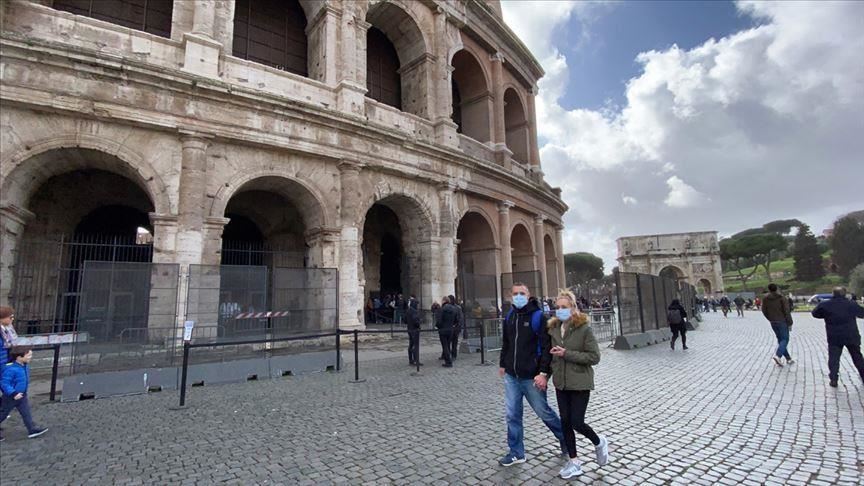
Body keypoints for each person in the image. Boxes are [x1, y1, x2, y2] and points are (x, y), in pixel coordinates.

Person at [497, 282, 567, 467]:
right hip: (512, 375)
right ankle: (516, 452)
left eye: (522, 293)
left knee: (544, 412)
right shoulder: (510, 316)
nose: (518, 296)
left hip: (532, 376)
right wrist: (503, 363)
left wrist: (543, 373)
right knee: (512, 415)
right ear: (510, 296)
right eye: (515, 293)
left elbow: (546, 348)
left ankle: (565, 438)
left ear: (528, 295)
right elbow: (507, 343)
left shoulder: (538, 317)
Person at [547, 290, 609, 479]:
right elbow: (552, 356)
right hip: (561, 382)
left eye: (564, 307)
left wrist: (567, 354)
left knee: (577, 421)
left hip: (580, 381)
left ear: (573, 308)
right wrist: (544, 374)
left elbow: (594, 357)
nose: (560, 310)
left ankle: (599, 442)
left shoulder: (584, 329)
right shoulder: (554, 328)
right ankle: (574, 461)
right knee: (565, 422)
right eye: (557, 307)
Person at [811, 287, 864, 387]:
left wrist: (826, 315)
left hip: (834, 336)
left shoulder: (825, 305)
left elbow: (815, 314)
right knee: (857, 357)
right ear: (844, 294)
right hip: (851, 335)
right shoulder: (851, 304)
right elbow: (862, 313)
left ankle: (834, 379)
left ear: (833, 294)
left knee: (834, 358)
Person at [0, 346, 48, 442]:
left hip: (22, 395)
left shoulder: (24, 366)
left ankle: (32, 429)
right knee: (3, 414)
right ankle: (32, 429)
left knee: (26, 413)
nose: (30, 357)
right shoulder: (10, 369)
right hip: (11, 397)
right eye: (28, 355)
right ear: (19, 357)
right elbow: (4, 383)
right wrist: (13, 393)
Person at [762, 283, 794, 366]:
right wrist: (790, 322)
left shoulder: (765, 299)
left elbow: (764, 310)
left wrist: (770, 318)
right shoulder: (781, 298)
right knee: (785, 339)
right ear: (777, 289)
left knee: (780, 340)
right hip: (782, 321)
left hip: (773, 321)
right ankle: (778, 355)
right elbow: (787, 311)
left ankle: (788, 358)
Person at [437, 297, 457, 367]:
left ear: (444, 301)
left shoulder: (442, 309)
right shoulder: (454, 309)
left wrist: (439, 327)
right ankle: (449, 360)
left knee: (445, 346)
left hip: (443, 330)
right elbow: (456, 320)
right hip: (450, 329)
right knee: (448, 345)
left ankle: (448, 362)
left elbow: (439, 321)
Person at [406, 296, 422, 366]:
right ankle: (416, 360)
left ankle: (410, 359)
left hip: (409, 329)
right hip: (414, 330)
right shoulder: (414, 311)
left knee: (411, 345)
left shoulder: (408, 310)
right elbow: (416, 321)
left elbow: (405, 320)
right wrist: (419, 324)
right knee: (415, 345)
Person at [449, 296, 463, 360]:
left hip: (455, 327)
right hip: (450, 327)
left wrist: (458, 326)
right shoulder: (449, 307)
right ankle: (448, 354)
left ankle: (454, 355)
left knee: (454, 342)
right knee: (449, 342)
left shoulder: (457, 308)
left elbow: (460, 318)